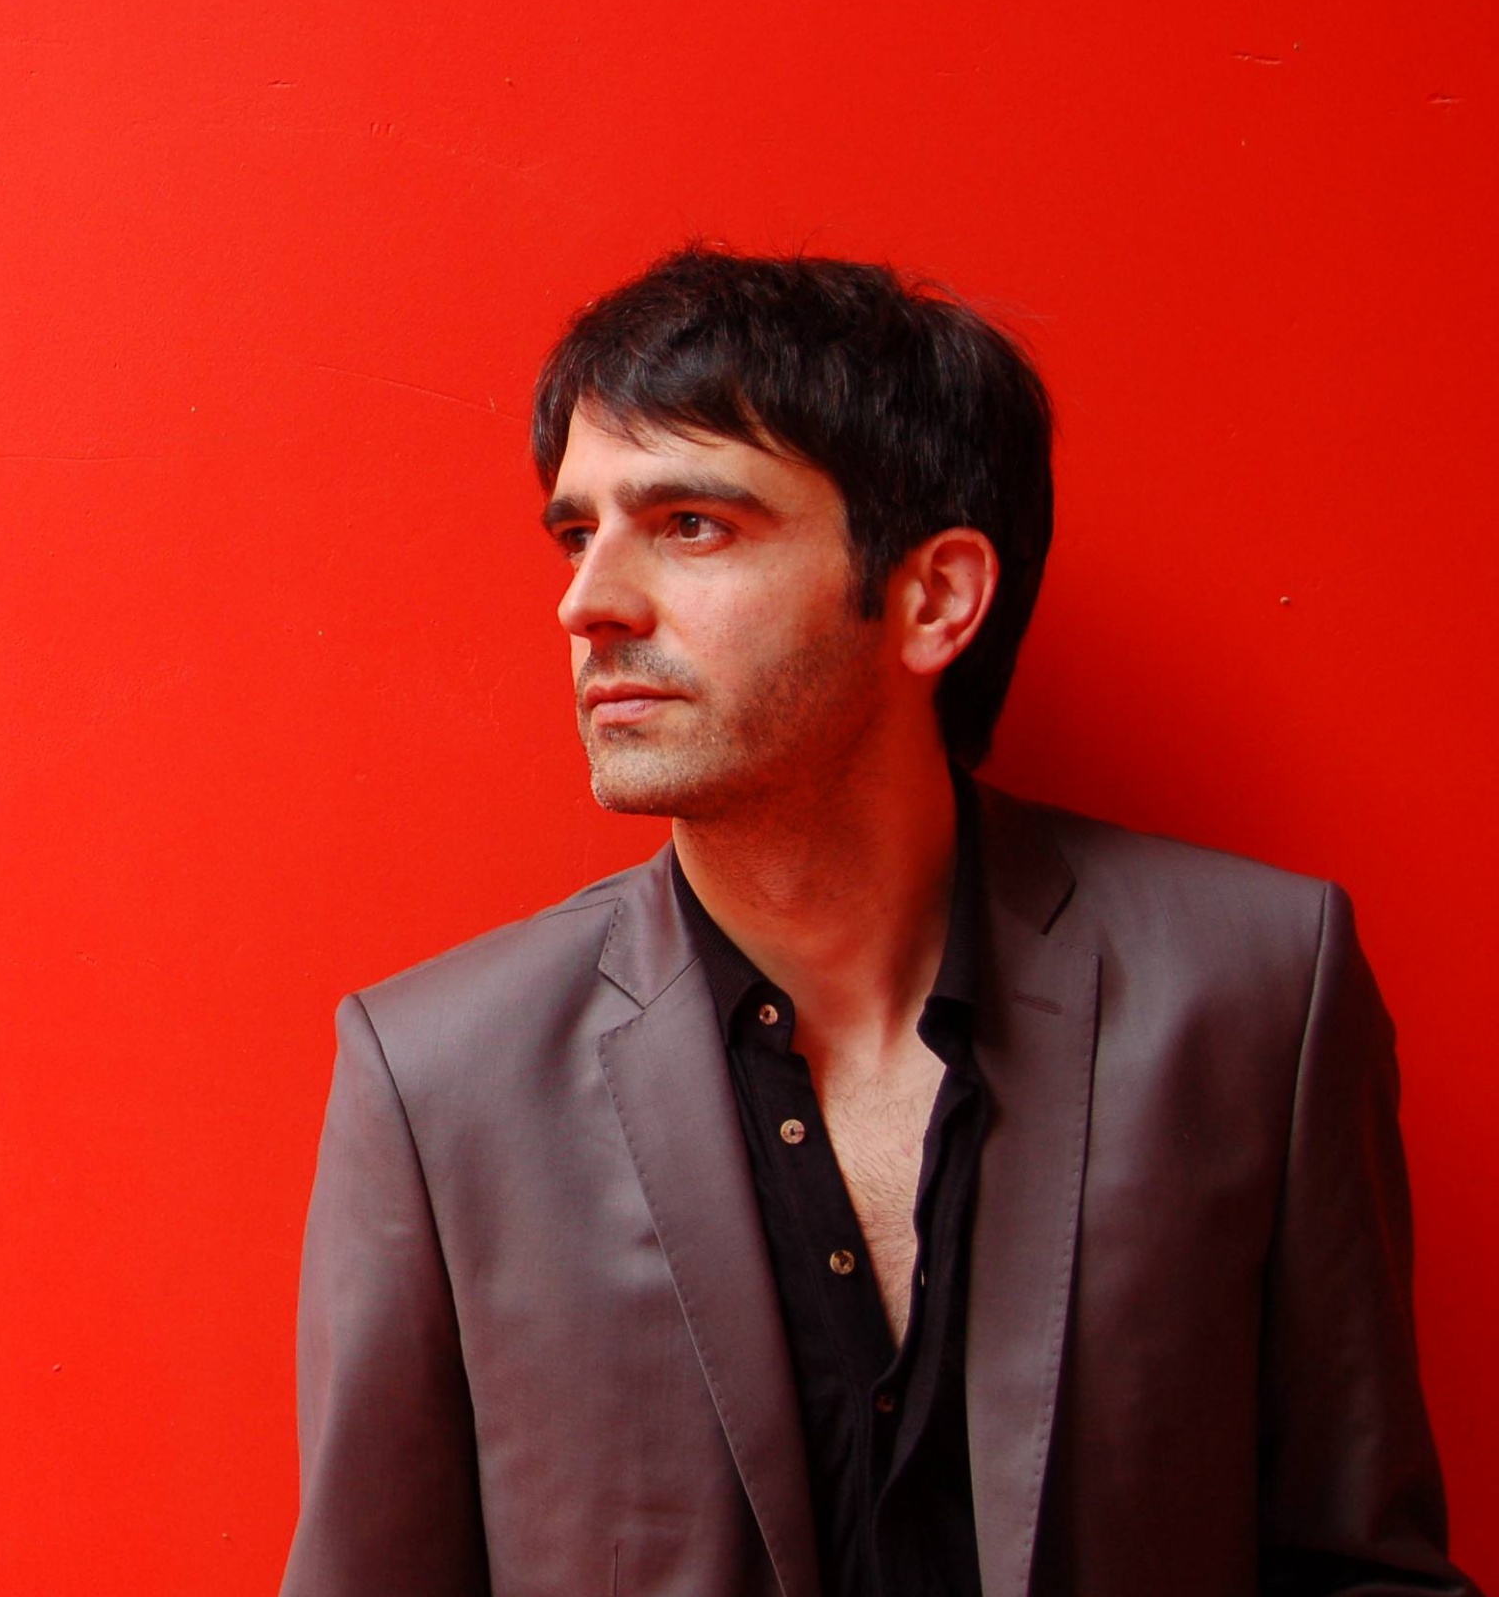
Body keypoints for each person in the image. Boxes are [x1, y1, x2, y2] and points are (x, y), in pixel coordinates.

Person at [277, 248, 1475, 1597]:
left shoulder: (1255, 993)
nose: (587, 602)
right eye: (576, 532)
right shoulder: (439, 1080)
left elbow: (1359, 1567)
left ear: (935, 597)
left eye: (692, 525)